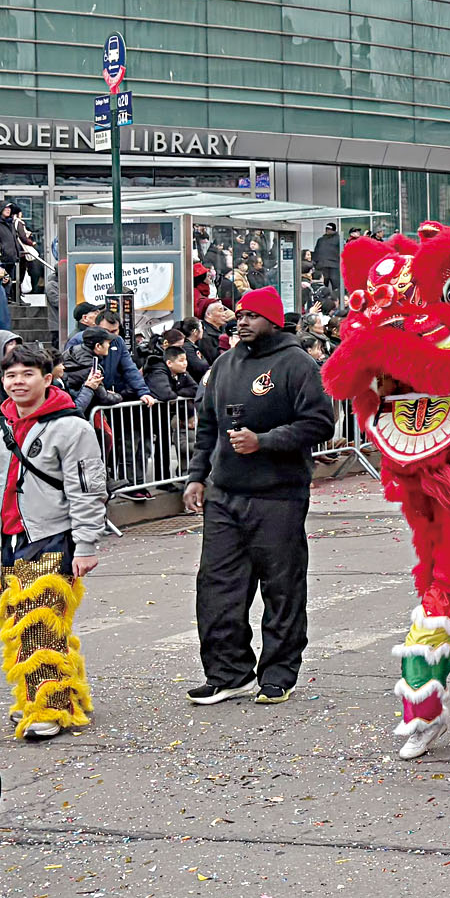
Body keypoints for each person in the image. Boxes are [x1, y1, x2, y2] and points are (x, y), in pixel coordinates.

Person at [0, 340, 107, 742]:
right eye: (10, 374)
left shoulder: (72, 427)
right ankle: (53, 691)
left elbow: (88, 490)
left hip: (53, 536)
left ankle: (47, 706)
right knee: (24, 621)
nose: (17, 382)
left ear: (47, 378)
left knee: (40, 624)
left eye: (27, 374)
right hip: (11, 540)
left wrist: (86, 545)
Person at [182, 286, 336, 705]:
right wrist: (197, 476)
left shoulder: (297, 364)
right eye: (240, 315)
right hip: (225, 495)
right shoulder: (225, 364)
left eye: (253, 315)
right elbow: (208, 427)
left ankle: (278, 673)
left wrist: (264, 441)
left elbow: (321, 422)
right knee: (217, 587)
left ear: (273, 320)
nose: (242, 321)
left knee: (281, 588)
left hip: (278, 496)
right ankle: (228, 672)